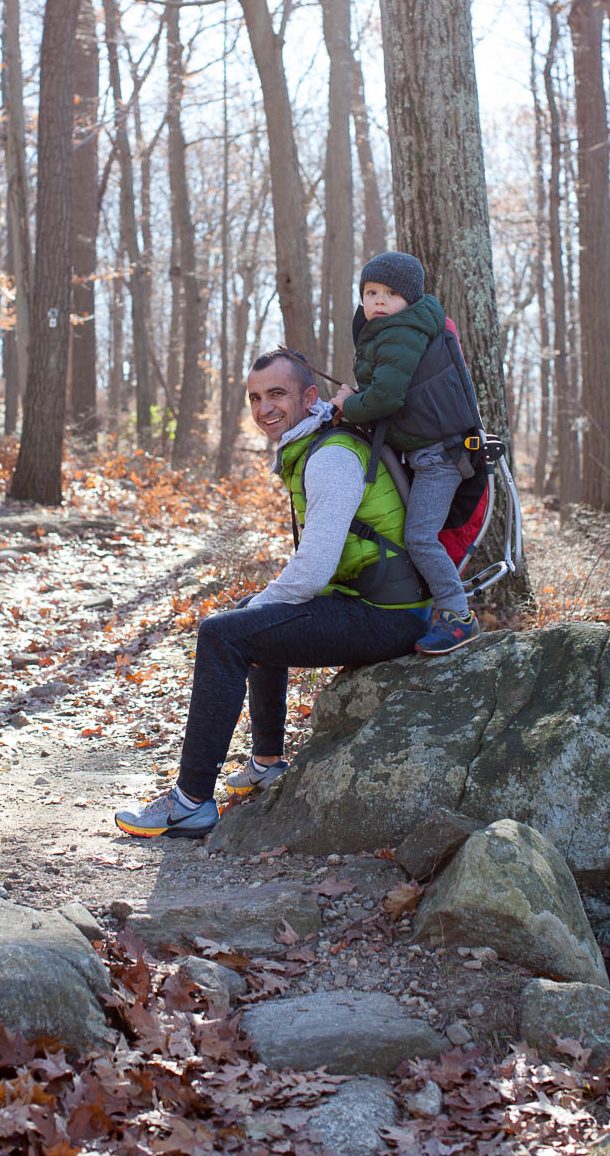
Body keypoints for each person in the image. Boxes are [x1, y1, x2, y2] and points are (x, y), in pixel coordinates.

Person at [114, 348, 429, 840]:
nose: (265, 409)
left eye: (277, 394)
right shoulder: (314, 445)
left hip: (388, 614)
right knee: (247, 618)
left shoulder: (331, 456)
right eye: (256, 398)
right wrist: (260, 605)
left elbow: (315, 567)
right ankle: (265, 763)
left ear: (310, 396)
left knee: (224, 634)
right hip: (372, 601)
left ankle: (190, 802)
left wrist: (261, 606)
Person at [332, 251, 480, 658]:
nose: (379, 301)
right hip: (424, 455)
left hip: (439, 458)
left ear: (409, 299)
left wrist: (349, 405)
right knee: (412, 535)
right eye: (371, 292)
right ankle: (435, 613)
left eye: (391, 293)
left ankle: (459, 617)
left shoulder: (401, 333)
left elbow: (386, 396)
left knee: (418, 537)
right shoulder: (393, 329)